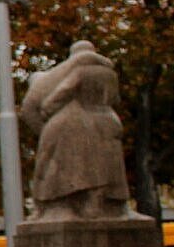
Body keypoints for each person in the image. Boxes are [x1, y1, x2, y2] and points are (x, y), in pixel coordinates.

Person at [20, 40, 133, 221]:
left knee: (76, 167)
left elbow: (63, 91)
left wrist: (47, 109)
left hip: (84, 120)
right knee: (107, 167)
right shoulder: (110, 74)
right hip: (109, 120)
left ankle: (57, 205)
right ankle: (102, 203)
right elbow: (115, 99)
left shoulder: (79, 72)